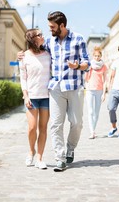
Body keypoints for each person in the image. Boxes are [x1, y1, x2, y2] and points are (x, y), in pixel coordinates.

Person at [18, 11, 90, 172]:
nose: (49, 29)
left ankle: (70, 148)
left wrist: (77, 66)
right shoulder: (49, 42)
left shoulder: (78, 39)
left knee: (77, 123)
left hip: (74, 86)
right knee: (56, 125)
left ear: (62, 25)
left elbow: (87, 63)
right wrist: (21, 54)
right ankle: (60, 157)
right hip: (55, 88)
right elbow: (33, 48)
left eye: (52, 26)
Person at [19, 28, 51, 169]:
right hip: (31, 97)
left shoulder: (48, 54)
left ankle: (39, 158)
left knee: (43, 128)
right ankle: (31, 151)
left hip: (46, 97)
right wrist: (26, 96)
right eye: (39, 35)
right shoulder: (24, 56)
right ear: (32, 39)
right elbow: (23, 78)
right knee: (32, 128)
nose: (42, 36)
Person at [85, 46, 107, 139]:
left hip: (99, 90)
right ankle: (92, 131)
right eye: (95, 56)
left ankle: (93, 130)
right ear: (93, 56)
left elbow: (105, 80)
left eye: (98, 56)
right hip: (90, 90)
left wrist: (104, 93)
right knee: (90, 111)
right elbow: (85, 78)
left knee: (96, 112)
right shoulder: (89, 65)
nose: (97, 57)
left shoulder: (104, 66)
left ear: (101, 56)